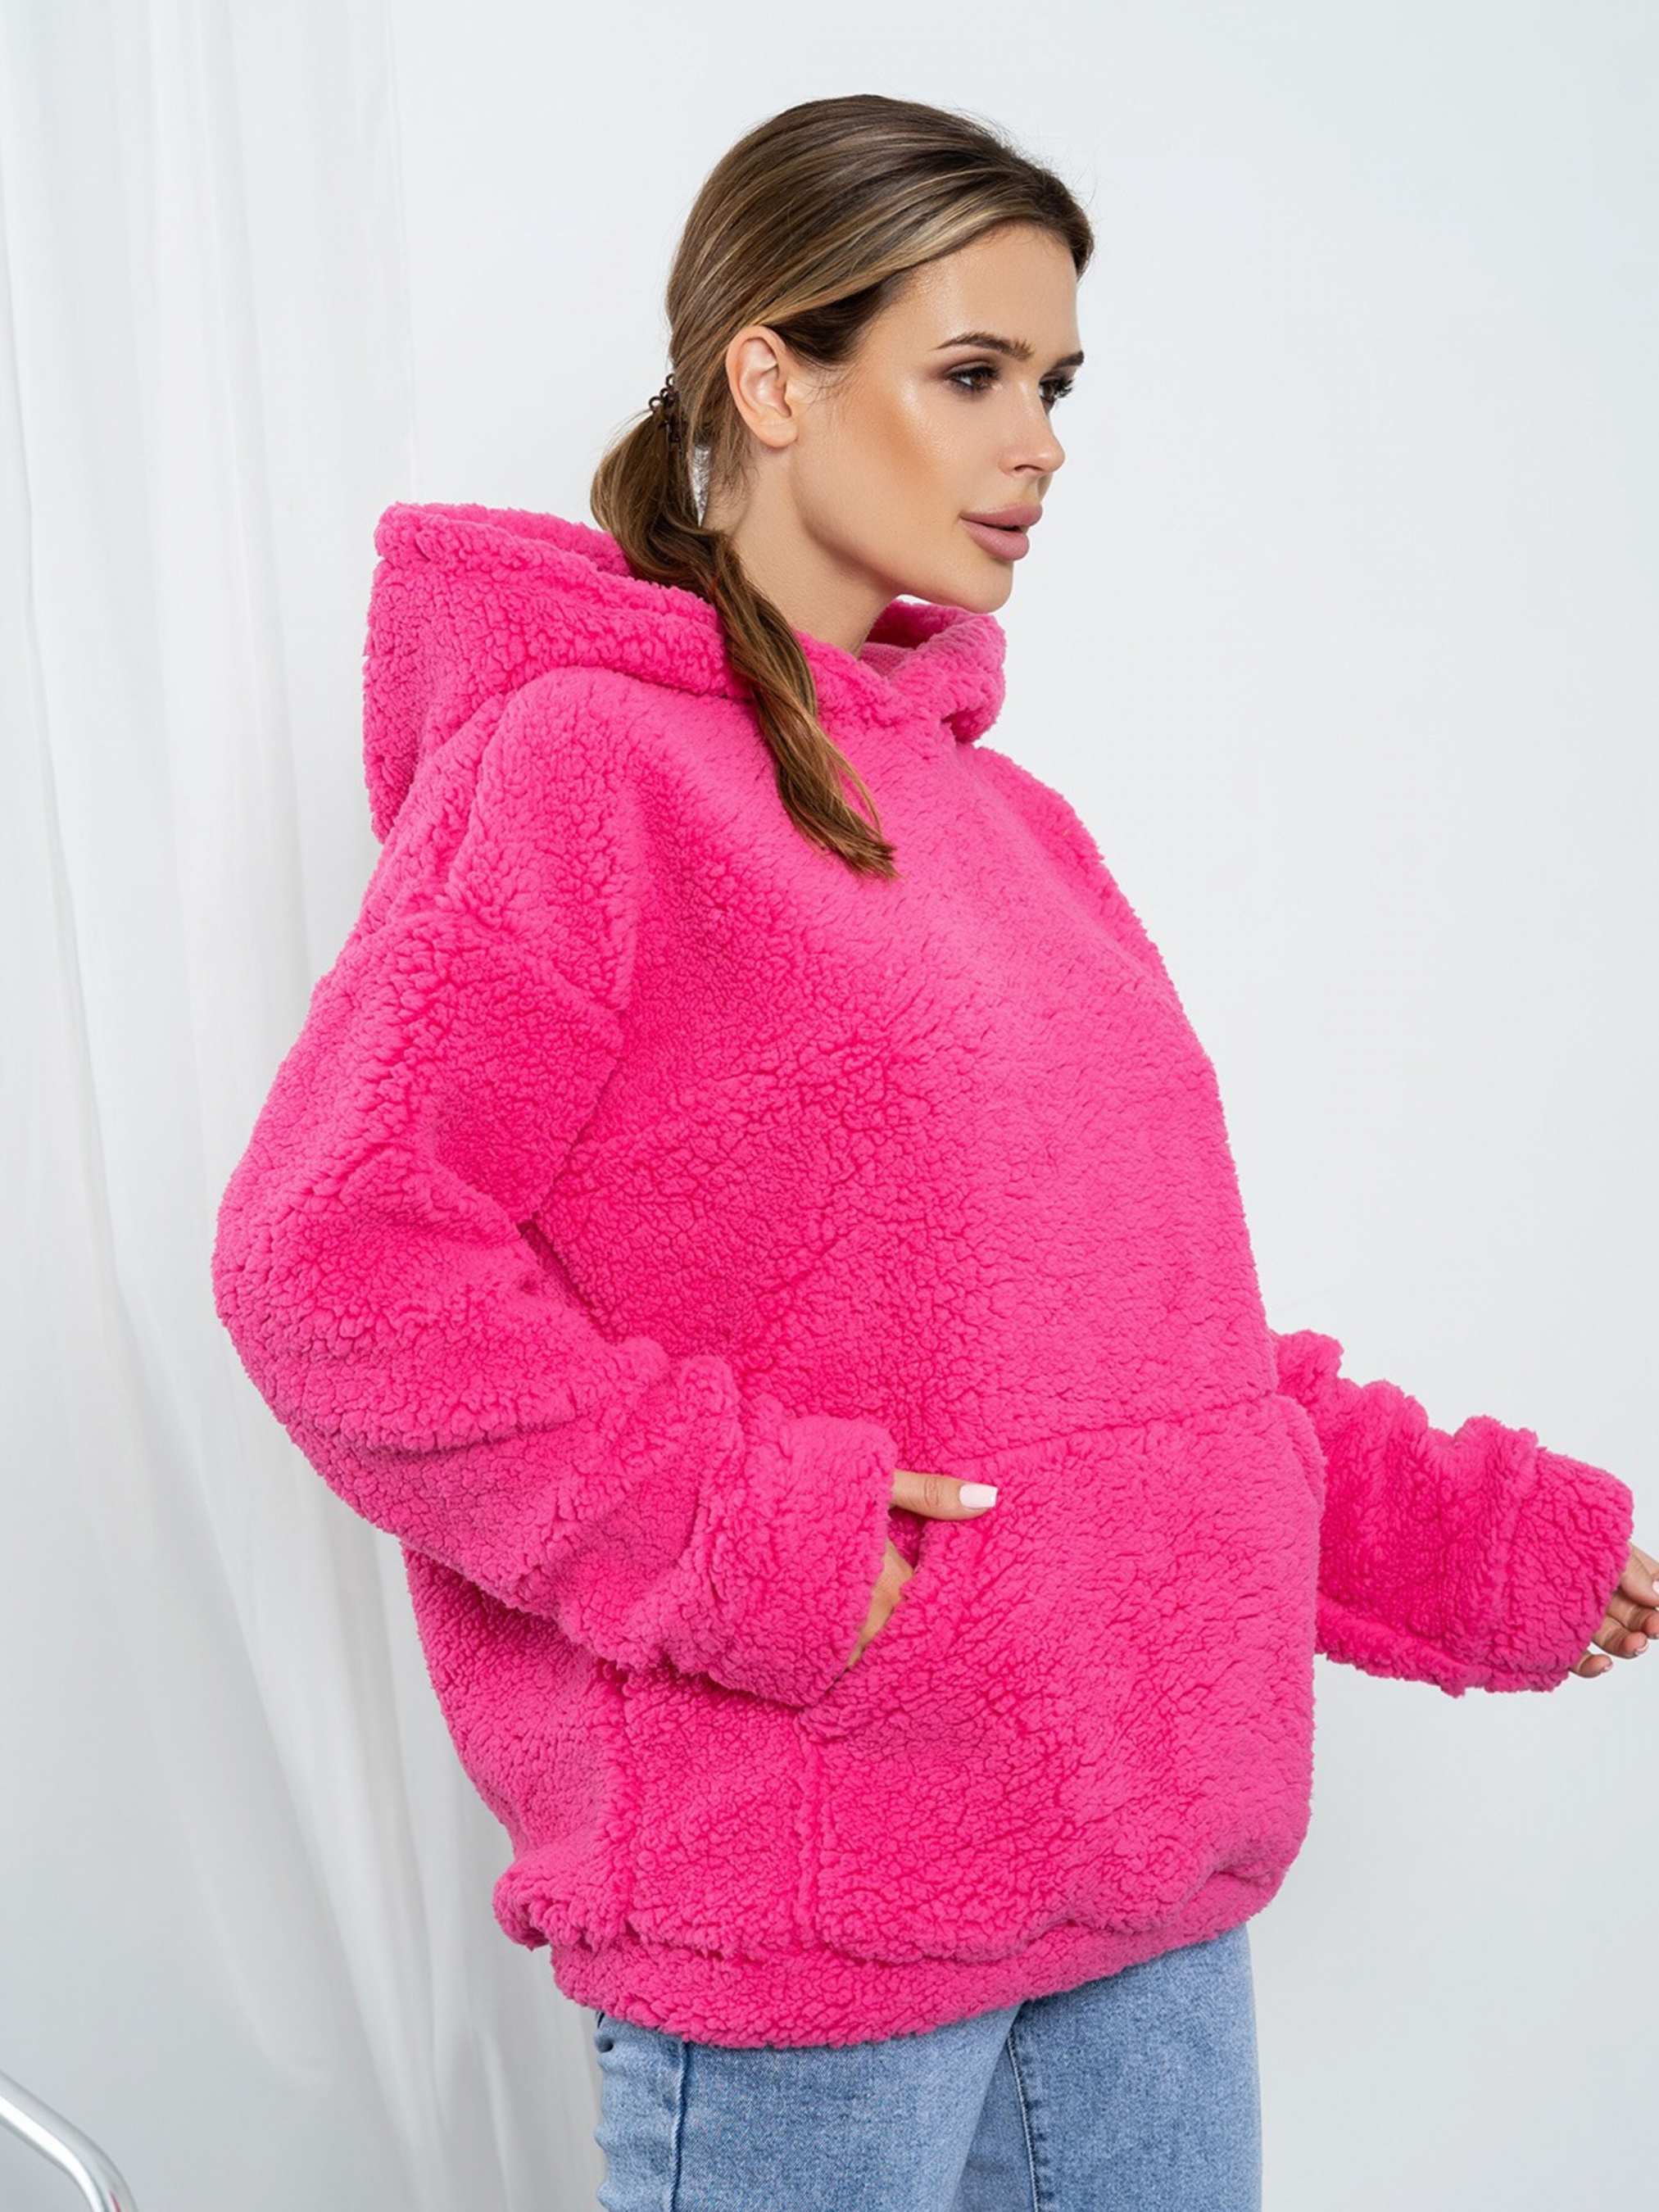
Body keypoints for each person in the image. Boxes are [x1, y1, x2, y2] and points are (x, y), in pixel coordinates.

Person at [210, 93, 1656, 2212]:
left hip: (1137, 1877)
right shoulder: (579, 764)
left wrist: (1464, 1535)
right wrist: (760, 1537)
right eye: (973, 372)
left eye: (1055, 384)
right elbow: (334, 1261)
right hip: (813, 1895)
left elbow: (1142, 1356)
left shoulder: (1013, 826)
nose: (1038, 442)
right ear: (770, 377)